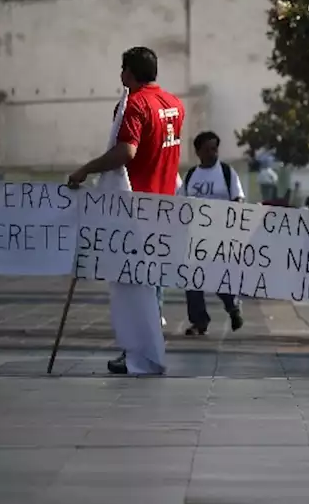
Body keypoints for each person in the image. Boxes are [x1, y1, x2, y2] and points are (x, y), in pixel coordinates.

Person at [68, 46, 184, 376]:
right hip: (164, 204)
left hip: (135, 208)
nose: (120, 76)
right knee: (152, 282)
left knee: (133, 286)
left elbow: (127, 152)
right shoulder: (174, 104)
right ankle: (150, 347)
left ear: (130, 72)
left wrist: (87, 169)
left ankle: (140, 354)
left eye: (122, 70)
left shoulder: (136, 104)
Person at [179, 130, 246, 336]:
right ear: (198, 152)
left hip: (221, 236)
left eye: (215, 149)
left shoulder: (226, 172)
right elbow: (180, 203)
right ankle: (199, 321)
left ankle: (232, 306)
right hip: (196, 237)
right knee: (192, 280)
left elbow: (238, 199)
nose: (212, 153)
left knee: (217, 276)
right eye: (207, 150)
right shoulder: (190, 175)